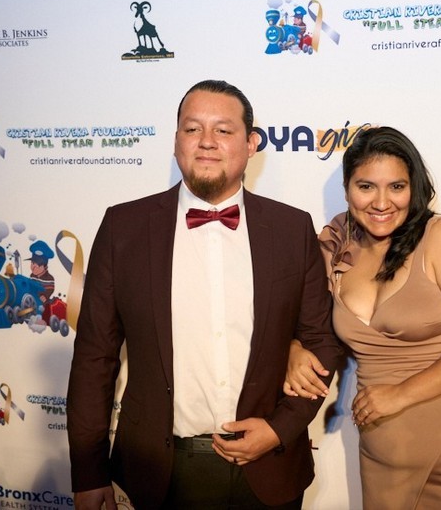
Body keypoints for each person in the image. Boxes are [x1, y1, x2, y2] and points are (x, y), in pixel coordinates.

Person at [67, 79, 342, 510]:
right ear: (176, 140)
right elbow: (94, 358)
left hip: (272, 469)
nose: (207, 141)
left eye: (223, 130)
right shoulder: (124, 228)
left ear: (251, 144)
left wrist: (279, 429)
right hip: (160, 472)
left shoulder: (291, 228)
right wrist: (88, 472)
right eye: (193, 129)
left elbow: (322, 340)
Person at [284, 126, 441, 509]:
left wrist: (399, 395)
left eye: (396, 187)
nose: (381, 202)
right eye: (366, 186)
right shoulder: (335, 244)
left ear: (414, 188)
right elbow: (300, 315)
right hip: (385, 453)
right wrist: (294, 346)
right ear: (347, 188)